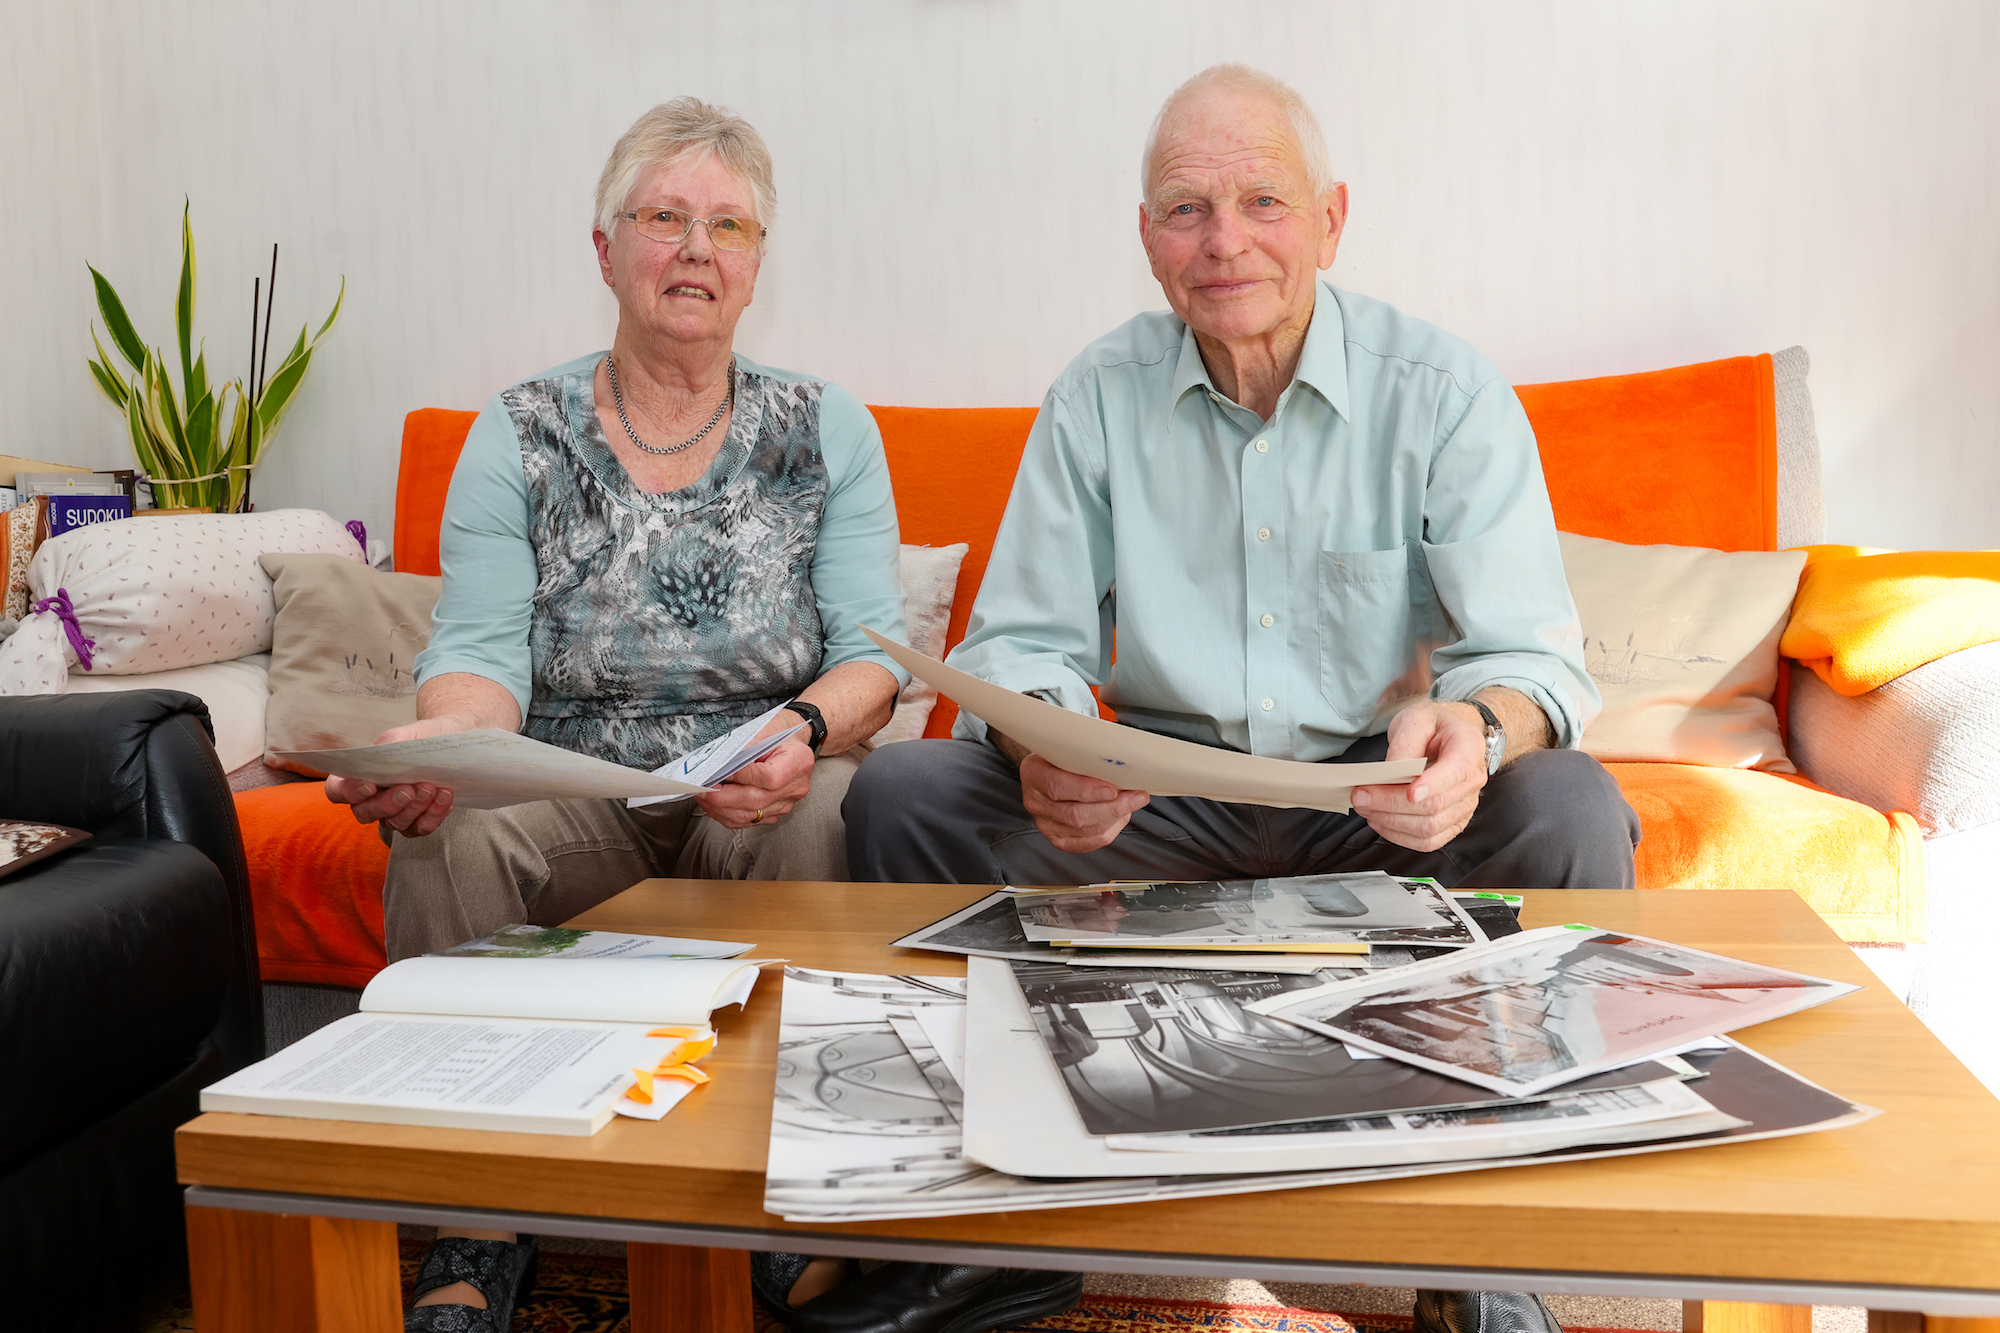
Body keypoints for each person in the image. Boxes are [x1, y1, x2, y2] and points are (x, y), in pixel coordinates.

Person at [844, 65, 1640, 1333]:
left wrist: (1473, 737)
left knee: (1571, 809)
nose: (1223, 242)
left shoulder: (1440, 391)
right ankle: (977, 1231)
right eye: (1184, 210)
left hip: (1372, 802)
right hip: (1158, 801)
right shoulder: (1095, 395)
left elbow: (1535, 664)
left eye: (1260, 201)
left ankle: (1487, 1254)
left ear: (1330, 219)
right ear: (1146, 241)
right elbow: (1021, 642)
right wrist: (1049, 741)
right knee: (899, 793)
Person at [324, 98, 907, 1333]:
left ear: (756, 263)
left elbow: (874, 662)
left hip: (759, 784)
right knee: (450, 828)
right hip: (575, 795)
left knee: (824, 811)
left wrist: (801, 728)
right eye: (663, 217)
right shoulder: (516, 434)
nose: (696, 249)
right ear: (605, 249)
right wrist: (451, 745)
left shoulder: (825, 427)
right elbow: (480, 656)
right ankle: (477, 1226)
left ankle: (768, 1202)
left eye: (728, 226)